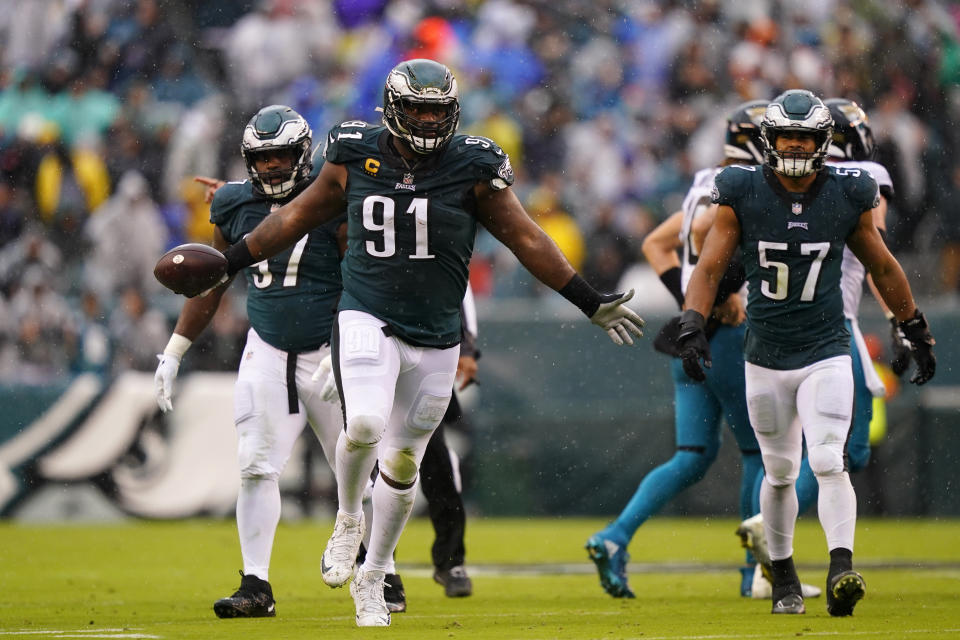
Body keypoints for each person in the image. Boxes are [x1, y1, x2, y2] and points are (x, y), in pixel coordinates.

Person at [171, 58, 644, 627]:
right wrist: (228, 261)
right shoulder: (352, 153)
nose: (425, 119)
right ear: (393, 108)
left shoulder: (474, 164)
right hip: (367, 315)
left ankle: (373, 577)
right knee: (365, 425)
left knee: (403, 463)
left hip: (437, 333)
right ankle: (349, 519)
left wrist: (589, 300)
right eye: (416, 107)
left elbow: (526, 237)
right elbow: (293, 216)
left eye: (436, 110)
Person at [678, 89, 936, 617]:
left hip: (826, 346)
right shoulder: (741, 189)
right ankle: (785, 578)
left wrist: (913, 325)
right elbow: (708, 267)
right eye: (787, 136)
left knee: (826, 459)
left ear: (824, 143)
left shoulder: (849, 190)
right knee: (776, 473)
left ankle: (842, 568)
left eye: (805, 137)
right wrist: (691, 323)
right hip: (765, 353)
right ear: (768, 141)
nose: (795, 145)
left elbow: (883, 267)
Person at [153, 104, 345, 619]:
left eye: (282, 157)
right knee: (256, 466)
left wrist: (346, 345)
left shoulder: (335, 198)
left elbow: (363, 280)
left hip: (332, 351)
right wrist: (175, 348)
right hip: (267, 348)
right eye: (263, 159)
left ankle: (380, 569)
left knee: (357, 467)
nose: (273, 168)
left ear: (304, 155)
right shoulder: (235, 203)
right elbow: (213, 280)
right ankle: (256, 584)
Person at [586, 100, 766, 600]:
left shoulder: (706, 181)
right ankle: (758, 571)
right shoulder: (741, 186)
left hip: (693, 337)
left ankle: (614, 535)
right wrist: (720, 295)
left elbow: (656, 244)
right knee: (760, 455)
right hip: (726, 339)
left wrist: (692, 307)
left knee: (691, 456)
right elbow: (709, 232)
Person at [735, 98, 913, 584]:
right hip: (834, 331)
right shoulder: (856, 181)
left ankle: (768, 560)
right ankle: (767, 534)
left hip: (791, 332)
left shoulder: (792, 183)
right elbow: (880, 260)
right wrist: (904, 320)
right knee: (835, 456)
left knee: (786, 461)